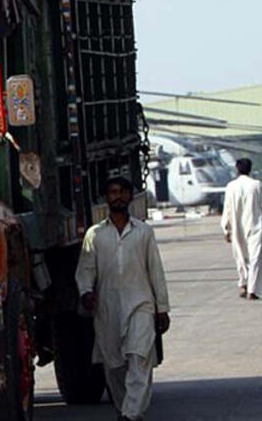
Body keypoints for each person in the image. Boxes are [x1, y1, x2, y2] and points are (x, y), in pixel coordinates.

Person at [75, 176, 171, 421]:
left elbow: (155, 271)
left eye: (122, 192)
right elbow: (86, 270)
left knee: (139, 358)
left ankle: (130, 414)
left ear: (130, 196)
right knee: (114, 366)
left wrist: (162, 308)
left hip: (141, 305)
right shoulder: (95, 235)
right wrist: (86, 293)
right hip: (108, 309)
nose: (117, 196)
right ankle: (125, 410)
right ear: (106, 198)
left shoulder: (143, 232)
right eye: (113, 192)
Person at [221, 158, 262, 299]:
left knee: (240, 256)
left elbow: (227, 209)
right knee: (255, 258)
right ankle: (252, 290)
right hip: (255, 226)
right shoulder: (257, 185)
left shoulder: (231, 186)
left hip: (237, 226)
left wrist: (226, 229)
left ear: (237, 169)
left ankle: (243, 283)